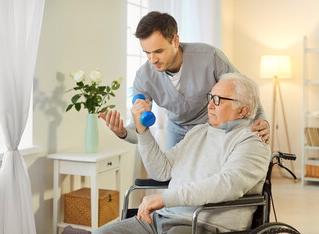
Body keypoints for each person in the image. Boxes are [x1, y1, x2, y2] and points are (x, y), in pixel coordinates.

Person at [89, 73, 271, 234]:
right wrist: (142, 131)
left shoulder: (253, 142)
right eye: (210, 97)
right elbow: (161, 171)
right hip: (162, 218)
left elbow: (227, 185)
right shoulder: (198, 132)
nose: (209, 105)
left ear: (242, 111)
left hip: (203, 226)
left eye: (218, 100)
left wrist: (165, 198)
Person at [99, 11, 270, 150]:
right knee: (171, 179)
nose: (153, 60)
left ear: (175, 40)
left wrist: (262, 120)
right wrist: (123, 132)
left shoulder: (210, 57)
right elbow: (140, 129)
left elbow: (246, 94)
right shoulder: (144, 77)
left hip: (214, 127)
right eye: (147, 52)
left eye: (158, 51)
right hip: (178, 132)